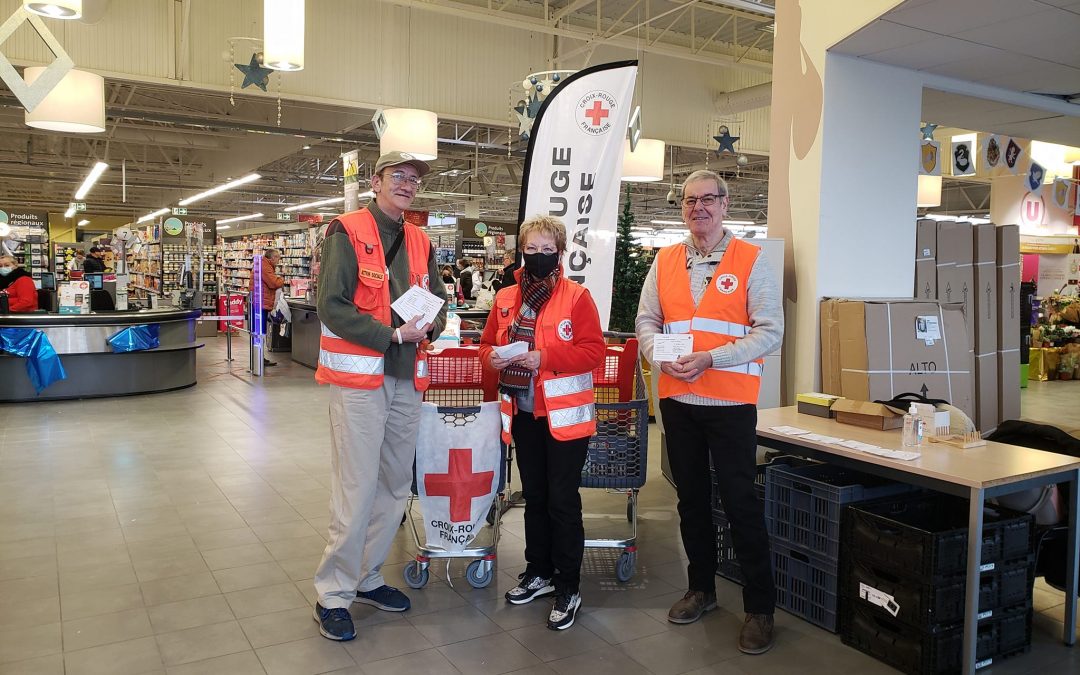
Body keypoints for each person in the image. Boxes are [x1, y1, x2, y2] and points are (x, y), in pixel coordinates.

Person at [635, 169, 783, 654]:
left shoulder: (751, 260)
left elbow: (769, 332)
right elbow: (647, 320)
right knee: (691, 500)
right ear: (682, 208)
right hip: (678, 401)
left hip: (729, 403)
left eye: (708, 200)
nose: (699, 208)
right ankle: (701, 588)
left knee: (741, 503)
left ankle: (760, 609)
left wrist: (711, 359)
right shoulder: (666, 259)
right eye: (689, 201)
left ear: (724, 204)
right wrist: (659, 352)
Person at [312, 151, 447, 642]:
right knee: (356, 485)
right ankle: (333, 593)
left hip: (409, 378)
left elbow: (439, 301)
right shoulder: (345, 230)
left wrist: (434, 321)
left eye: (414, 179)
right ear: (376, 182)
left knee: (393, 484)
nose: (407, 184)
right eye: (399, 176)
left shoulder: (420, 239)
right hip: (363, 379)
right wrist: (392, 334)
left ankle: (367, 577)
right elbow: (331, 306)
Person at [479, 214, 605, 631]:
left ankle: (568, 586)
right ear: (521, 251)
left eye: (546, 249)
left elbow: (593, 354)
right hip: (523, 413)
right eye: (530, 249)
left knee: (562, 501)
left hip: (564, 420)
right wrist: (493, 360)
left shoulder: (577, 298)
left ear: (561, 252)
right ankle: (539, 572)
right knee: (533, 496)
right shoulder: (505, 298)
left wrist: (543, 358)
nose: (537, 256)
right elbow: (485, 347)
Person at [253, 248, 285, 367]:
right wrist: (281, 279)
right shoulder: (265, 266)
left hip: (261, 301)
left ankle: (259, 357)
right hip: (261, 302)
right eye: (277, 257)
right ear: (271, 258)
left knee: (259, 330)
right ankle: (258, 358)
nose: (279, 259)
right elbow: (274, 283)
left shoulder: (265, 264)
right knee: (260, 330)